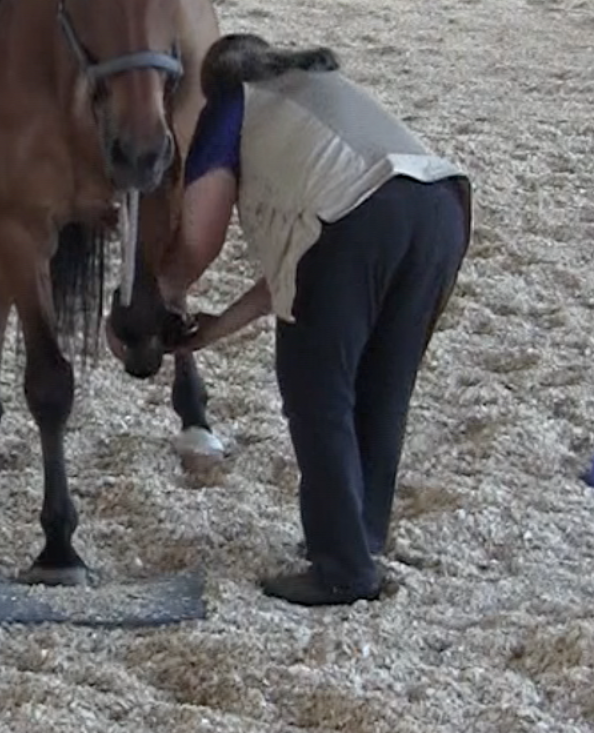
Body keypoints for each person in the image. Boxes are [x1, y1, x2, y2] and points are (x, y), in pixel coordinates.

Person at [159, 32, 471, 607]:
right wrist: (217, 328)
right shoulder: (318, 91)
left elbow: (200, 239)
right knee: (383, 385)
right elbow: (303, 261)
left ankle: (342, 569)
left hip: (353, 222)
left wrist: (163, 292)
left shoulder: (233, 105)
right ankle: (362, 534)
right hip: (440, 207)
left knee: (317, 394)